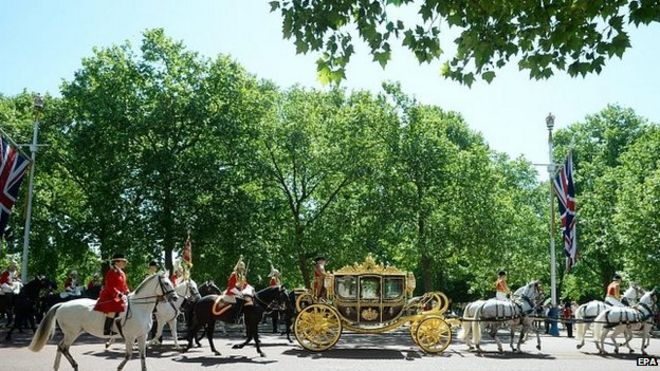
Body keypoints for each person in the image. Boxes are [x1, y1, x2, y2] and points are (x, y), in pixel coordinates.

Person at [94, 253, 130, 335]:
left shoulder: (122, 273)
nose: (125, 263)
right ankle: (107, 330)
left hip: (120, 295)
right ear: (117, 262)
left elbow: (124, 285)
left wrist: (127, 291)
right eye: (123, 261)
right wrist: (119, 294)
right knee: (113, 308)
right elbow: (110, 286)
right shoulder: (111, 272)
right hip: (109, 295)